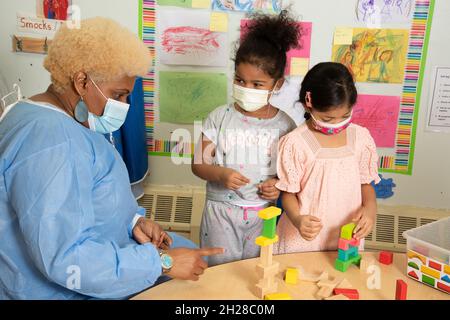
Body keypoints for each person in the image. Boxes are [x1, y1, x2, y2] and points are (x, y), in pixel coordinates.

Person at [0, 17, 223, 300]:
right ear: (82, 81)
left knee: (200, 266)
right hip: (61, 287)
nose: (124, 106)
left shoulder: (47, 116)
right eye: (118, 95)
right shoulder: (51, 139)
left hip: (106, 253)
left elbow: (86, 196)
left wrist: (132, 223)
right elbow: (65, 259)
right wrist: (162, 262)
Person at [192, 10, 299, 266]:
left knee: (254, 271)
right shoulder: (219, 117)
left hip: (264, 213)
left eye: (257, 84)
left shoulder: (286, 125)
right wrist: (221, 175)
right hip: (220, 213)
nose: (246, 88)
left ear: (277, 85)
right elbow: (198, 164)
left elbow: (292, 174)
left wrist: (278, 184)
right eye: (240, 80)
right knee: (220, 272)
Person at [274, 62, 380, 254]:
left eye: (345, 116)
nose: (336, 125)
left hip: (346, 233)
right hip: (304, 237)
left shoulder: (361, 138)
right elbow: (288, 193)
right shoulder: (295, 143)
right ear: (309, 102)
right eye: (328, 119)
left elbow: (365, 184)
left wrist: (370, 211)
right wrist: (298, 219)